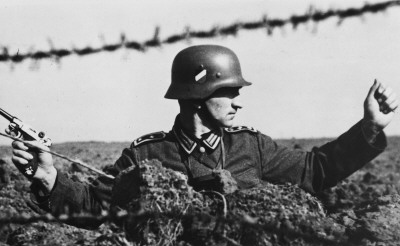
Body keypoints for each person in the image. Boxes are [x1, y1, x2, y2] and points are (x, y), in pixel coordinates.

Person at [8, 44, 399, 217]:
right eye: (228, 92)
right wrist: (48, 176)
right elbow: (98, 205)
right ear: (197, 95)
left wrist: (368, 128)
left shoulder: (252, 147)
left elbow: (317, 170)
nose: (237, 101)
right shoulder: (146, 155)